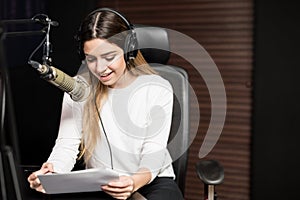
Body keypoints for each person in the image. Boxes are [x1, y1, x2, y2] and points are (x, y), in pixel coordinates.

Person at [27, 7, 183, 200]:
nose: (100, 69)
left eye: (109, 57)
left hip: (149, 180)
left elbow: (154, 151)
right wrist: (52, 171)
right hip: (100, 183)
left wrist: (134, 182)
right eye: (91, 59)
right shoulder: (77, 89)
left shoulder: (157, 88)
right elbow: (67, 144)